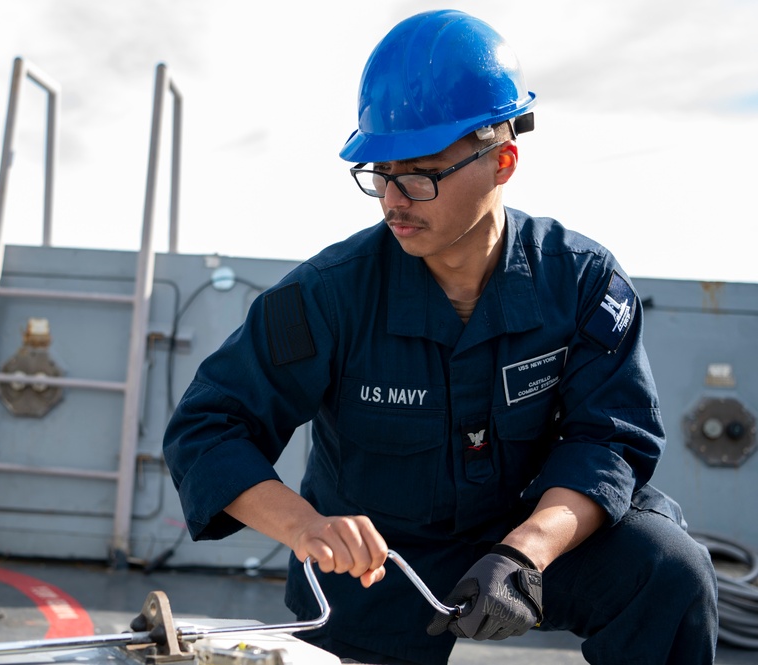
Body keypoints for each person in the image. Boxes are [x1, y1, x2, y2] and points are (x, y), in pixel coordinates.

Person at [162, 9, 718, 664]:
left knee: (667, 567)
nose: (394, 198)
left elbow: (609, 439)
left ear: (502, 162)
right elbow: (208, 428)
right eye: (379, 172)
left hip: (533, 531)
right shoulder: (326, 296)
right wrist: (308, 528)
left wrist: (525, 552)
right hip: (379, 561)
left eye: (421, 174)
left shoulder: (580, 281)